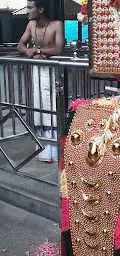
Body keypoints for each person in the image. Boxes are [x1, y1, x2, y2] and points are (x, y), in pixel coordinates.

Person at [17, 0, 64, 162]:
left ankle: (55, 151)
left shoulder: (57, 24)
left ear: (41, 9)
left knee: (52, 103)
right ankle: (43, 150)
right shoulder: (31, 25)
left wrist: (37, 50)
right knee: (38, 105)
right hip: (37, 69)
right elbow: (20, 44)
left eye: (30, 7)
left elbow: (58, 49)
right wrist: (28, 52)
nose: (27, 11)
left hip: (52, 70)